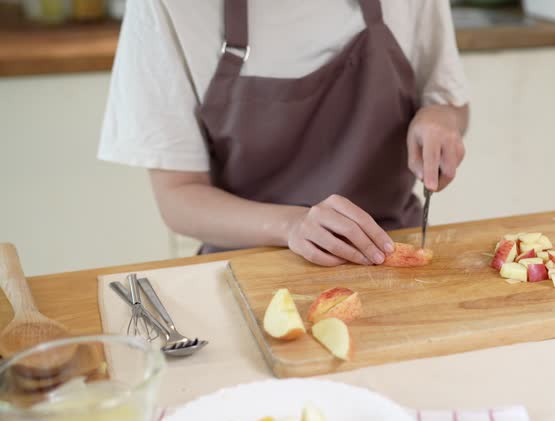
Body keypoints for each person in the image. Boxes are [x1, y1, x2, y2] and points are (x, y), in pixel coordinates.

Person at [98, 0, 469, 266]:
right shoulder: (166, 8)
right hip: (248, 263)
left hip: (389, 250)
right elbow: (178, 197)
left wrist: (442, 117)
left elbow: (451, 104)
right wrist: (291, 225)